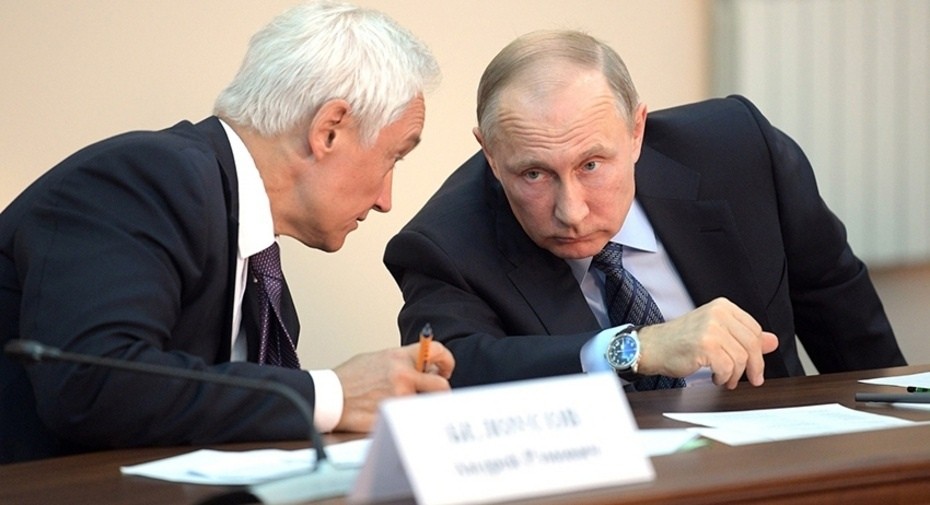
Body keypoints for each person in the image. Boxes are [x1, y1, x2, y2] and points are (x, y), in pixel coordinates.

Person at [0, 1, 455, 464]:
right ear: (329, 131)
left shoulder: (262, 285)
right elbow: (91, 387)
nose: (385, 200)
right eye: (393, 158)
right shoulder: (149, 178)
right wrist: (335, 394)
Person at [384, 29, 905, 391]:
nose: (571, 211)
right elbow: (446, 372)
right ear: (491, 156)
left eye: (591, 165)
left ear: (636, 131)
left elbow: (844, 318)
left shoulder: (740, 151)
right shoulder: (443, 245)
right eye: (534, 174)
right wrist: (633, 348)